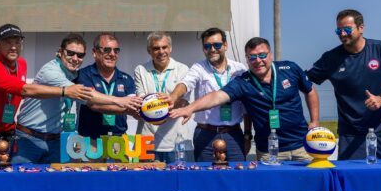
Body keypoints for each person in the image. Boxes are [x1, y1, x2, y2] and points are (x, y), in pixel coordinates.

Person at [0, 24, 93, 165]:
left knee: (2, 183)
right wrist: (65, 91)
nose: (14, 47)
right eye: (8, 42)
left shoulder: (21, 63)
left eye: (17, 42)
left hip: (6, 133)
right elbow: (25, 90)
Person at [171, 37, 319, 162]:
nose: (258, 61)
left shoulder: (290, 69)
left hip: (302, 146)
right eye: (252, 57)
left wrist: (315, 121)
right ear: (247, 60)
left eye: (262, 55)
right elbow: (216, 97)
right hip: (269, 151)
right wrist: (190, 108)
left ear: (271, 55)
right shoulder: (244, 82)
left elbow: (310, 90)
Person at [13, 34, 142, 164]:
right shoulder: (51, 71)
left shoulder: (73, 74)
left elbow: (133, 105)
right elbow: (88, 98)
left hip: (56, 140)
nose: (75, 58)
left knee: (54, 183)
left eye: (80, 55)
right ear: (59, 52)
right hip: (29, 138)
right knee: (20, 181)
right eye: (70, 53)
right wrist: (120, 101)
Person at [307, 9, 381, 160]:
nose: (342, 34)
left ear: (361, 28)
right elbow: (304, 80)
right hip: (349, 134)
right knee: (351, 180)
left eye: (347, 29)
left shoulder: (380, 48)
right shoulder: (331, 58)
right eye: (339, 30)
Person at [169, 28, 249, 162]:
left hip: (234, 134)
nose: (212, 49)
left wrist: (247, 135)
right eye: (207, 46)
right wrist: (173, 97)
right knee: (205, 179)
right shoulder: (198, 68)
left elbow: (247, 105)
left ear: (225, 45)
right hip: (206, 134)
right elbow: (185, 84)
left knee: (238, 176)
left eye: (217, 45)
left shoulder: (240, 69)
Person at [134, 32, 189, 163]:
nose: (161, 52)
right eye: (156, 48)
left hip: (176, 141)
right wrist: (169, 101)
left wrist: (159, 102)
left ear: (170, 48)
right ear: (149, 51)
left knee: (178, 182)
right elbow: (142, 103)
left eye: (164, 47)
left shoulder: (182, 69)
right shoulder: (140, 70)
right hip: (147, 141)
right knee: (147, 183)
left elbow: (183, 103)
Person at [76, 33, 138, 141]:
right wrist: (122, 103)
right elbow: (93, 104)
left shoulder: (126, 78)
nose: (112, 54)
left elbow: (132, 107)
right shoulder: (83, 74)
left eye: (116, 50)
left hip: (119, 140)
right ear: (94, 52)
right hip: (91, 140)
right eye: (107, 50)